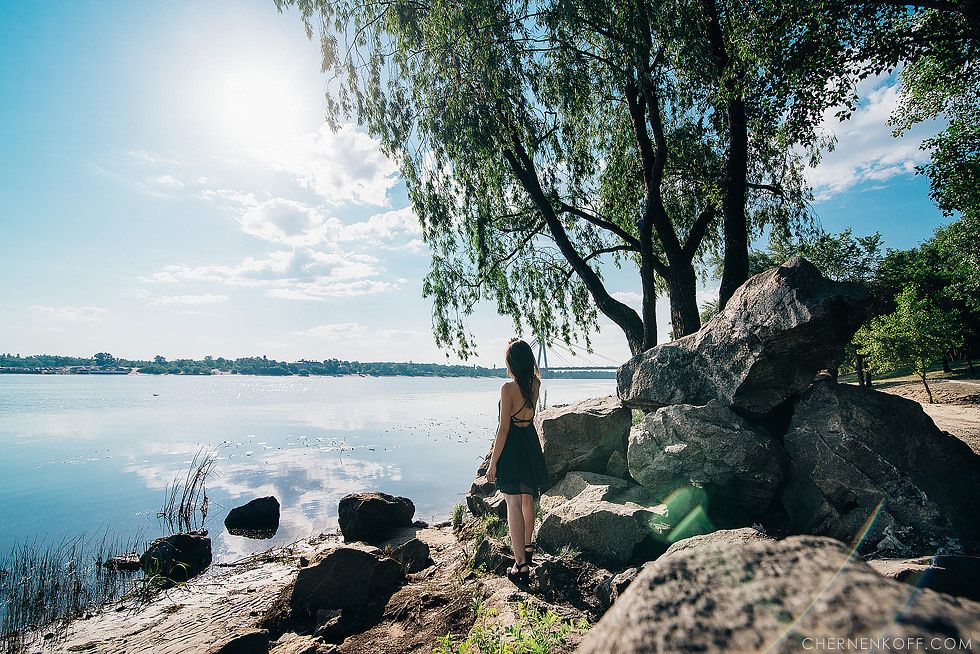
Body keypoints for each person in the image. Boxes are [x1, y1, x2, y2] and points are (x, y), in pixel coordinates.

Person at [486, 338, 550, 582]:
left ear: (511, 363)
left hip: (513, 445)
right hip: (529, 442)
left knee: (513, 503)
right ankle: (528, 546)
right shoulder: (536, 383)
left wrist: (493, 463)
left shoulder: (507, 388)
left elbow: (503, 429)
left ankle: (520, 564)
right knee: (527, 497)